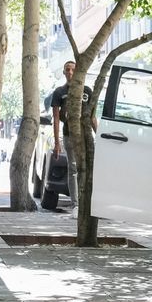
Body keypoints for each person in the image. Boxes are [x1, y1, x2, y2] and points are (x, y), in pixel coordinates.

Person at [48, 61, 96, 206]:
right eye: (67, 70)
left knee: (88, 168)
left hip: (86, 135)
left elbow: (92, 116)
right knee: (73, 168)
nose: (70, 72)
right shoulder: (59, 92)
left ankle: (88, 202)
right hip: (69, 135)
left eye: (73, 70)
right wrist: (57, 143)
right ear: (64, 72)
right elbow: (56, 119)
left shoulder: (87, 91)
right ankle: (76, 204)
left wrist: (98, 135)